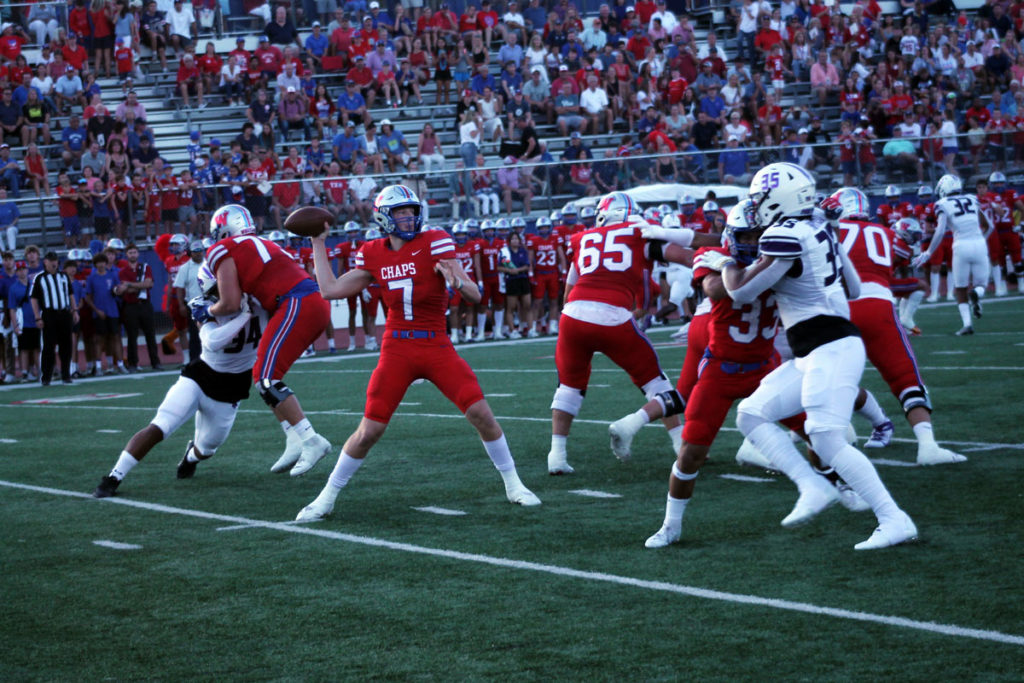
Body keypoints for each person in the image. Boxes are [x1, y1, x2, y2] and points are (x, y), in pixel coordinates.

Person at [296, 185, 540, 520]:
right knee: (370, 431)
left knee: (481, 414)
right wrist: (318, 243)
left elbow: (474, 295)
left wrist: (457, 282)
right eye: (401, 212)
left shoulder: (435, 241)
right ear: (384, 217)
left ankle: (514, 485)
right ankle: (325, 497)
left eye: (412, 211)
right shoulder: (373, 252)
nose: (409, 217)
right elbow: (330, 289)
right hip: (397, 347)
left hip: (435, 343)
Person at [708, 162, 917, 551]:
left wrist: (723, 263)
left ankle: (893, 519)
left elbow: (739, 292)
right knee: (752, 413)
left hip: (831, 345)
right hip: (817, 349)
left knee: (825, 437)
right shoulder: (819, 227)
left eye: (761, 198)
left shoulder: (785, 233)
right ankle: (812, 486)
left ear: (779, 198)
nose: (757, 205)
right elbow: (854, 288)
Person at [546, 192, 720, 475]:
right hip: (612, 315)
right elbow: (687, 257)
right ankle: (680, 444)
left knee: (569, 386)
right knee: (655, 381)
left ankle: (557, 455)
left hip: (573, 315)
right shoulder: (639, 234)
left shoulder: (583, 238)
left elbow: (569, 290)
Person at [93, 264, 267, 498]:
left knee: (207, 448)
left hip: (232, 388)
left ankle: (190, 456)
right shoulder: (204, 304)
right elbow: (213, 341)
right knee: (160, 425)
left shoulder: (261, 299)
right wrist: (245, 315)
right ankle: (113, 477)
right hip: (200, 377)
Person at [827, 187, 966, 466]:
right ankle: (927, 444)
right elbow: (901, 259)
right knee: (905, 377)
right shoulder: (887, 233)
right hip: (879, 306)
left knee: (830, 380)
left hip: (839, 308)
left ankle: (838, 436)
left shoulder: (831, 230)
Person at [205, 204, 332, 476]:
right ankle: (293, 437)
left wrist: (207, 309)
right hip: (306, 301)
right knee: (263, 374)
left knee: (266, 378)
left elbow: (229, 303)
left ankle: (311, 440)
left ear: (223, 229)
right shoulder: (260, 243)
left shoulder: (222, 248)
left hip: (296, 302)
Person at [912, 175, 992, 336]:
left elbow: (940, 230)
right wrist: (981, 240)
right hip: (979, 243)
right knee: (981, 285)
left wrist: (928, 252)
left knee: (961, 287)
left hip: (961, 245)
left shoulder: (942, 203)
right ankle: (977, 294)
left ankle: (967, 324)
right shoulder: (971, 198)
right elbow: (988, 226)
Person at [30, 251, 77, 386]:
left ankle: (66, 374)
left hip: (64, 313)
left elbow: (71, 294)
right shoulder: (39, 278)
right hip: (49, 314)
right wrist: (38, 317)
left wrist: (74, 311)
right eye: (51, 260)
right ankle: (46, 376)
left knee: (66, 346)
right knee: (49, 347)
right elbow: (34, 299)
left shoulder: (63, 276)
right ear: (45, 262)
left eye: (55, 260)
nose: (54, 262)